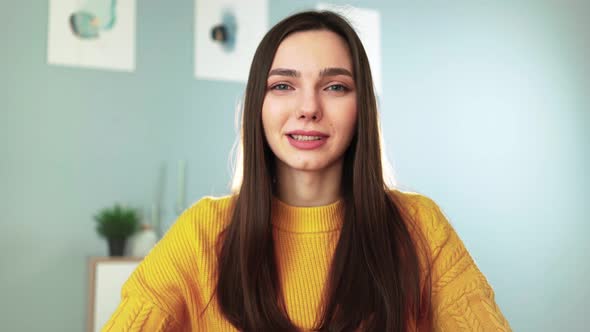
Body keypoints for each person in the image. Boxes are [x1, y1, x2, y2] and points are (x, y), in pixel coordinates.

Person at [103, 10, 511, 332]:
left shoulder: (420, 226)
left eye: (335, 86)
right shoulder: (202, 233)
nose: (309, 108)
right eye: (283, 86)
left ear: (362, 107)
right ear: (257, 106)